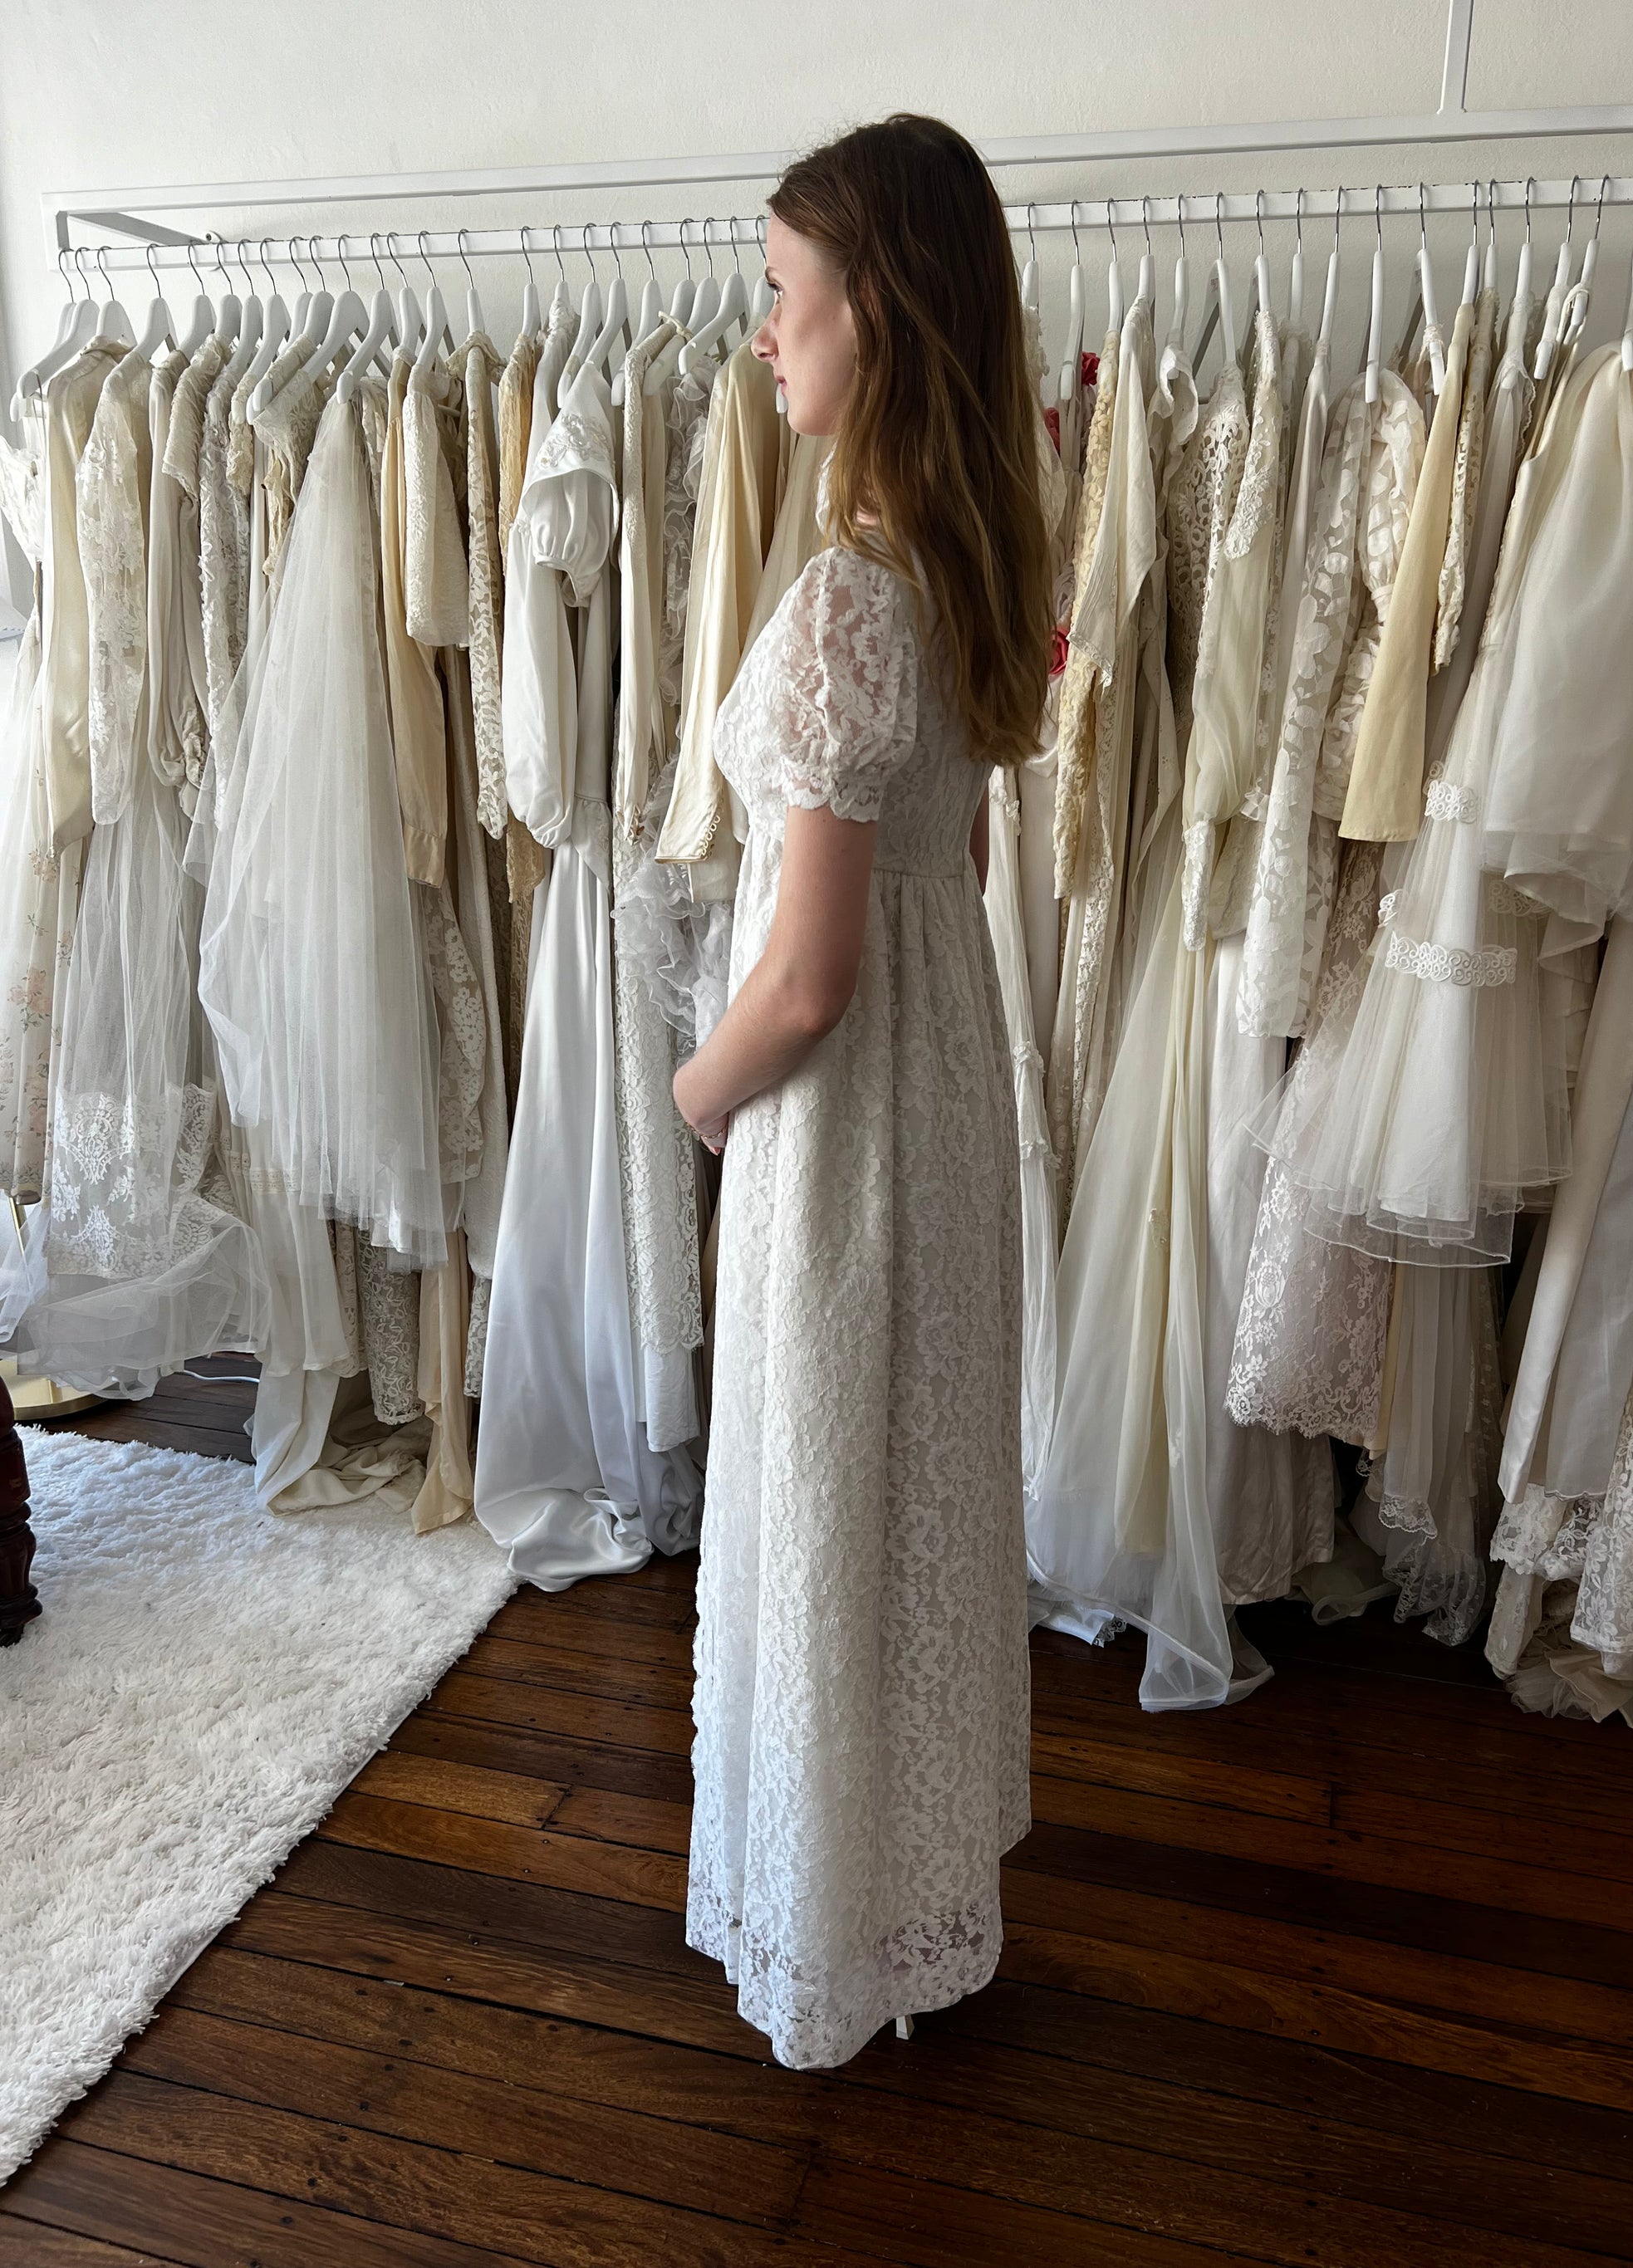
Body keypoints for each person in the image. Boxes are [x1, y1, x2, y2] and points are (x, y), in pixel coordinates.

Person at [671, 114, 1052, 2070]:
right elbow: (944, 876)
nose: (762, 336)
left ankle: (828, 1929)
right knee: (913, 1494)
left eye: (782, 297)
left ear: (873, 319)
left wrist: (695, 1087)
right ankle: (904, 1884)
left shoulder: (845, 593)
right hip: (949, 1092)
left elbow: (811, 975)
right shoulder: (964, 570)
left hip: (840, 1125)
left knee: (828, 1500)